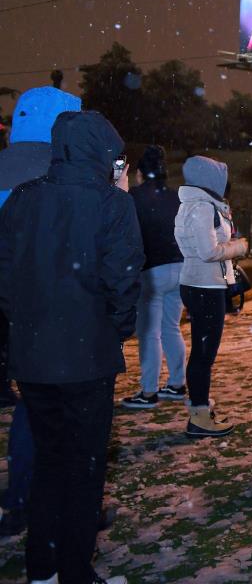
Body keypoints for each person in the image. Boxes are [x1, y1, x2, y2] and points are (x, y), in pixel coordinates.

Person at [0, 109, 140, 584]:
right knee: (83, 469)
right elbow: (123, 281)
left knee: (50, 459)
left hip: (34, 357)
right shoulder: (111, 204)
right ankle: (74, 571)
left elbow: (6, 276)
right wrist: (114, 329)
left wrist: (27, 325)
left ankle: (42, 566)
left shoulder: (23, 198)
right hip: (86, 358)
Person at [0, 87, 81, 539]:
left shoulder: (6, 166)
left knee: (32, 408)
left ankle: (19, 501)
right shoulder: (57, 173)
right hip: (52, 309)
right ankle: (58, 506)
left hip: (15, 307)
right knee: (56, 413)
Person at [174, 155, 248, 439]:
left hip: (197, 283)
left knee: (202, 352)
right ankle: (199, 415)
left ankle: (200, 406)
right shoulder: (203, 207)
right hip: (205, 286)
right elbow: (208, 252)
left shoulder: (191, 204)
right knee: (204, 354)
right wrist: (238, 247)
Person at [121, 145, 188, 409]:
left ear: (139, 173)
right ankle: (177, 383)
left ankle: (148, 391)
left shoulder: (133, 197)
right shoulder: (175, 197)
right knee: (171, 327)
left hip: (151, 270)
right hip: (179, 267)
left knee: (149, 332)